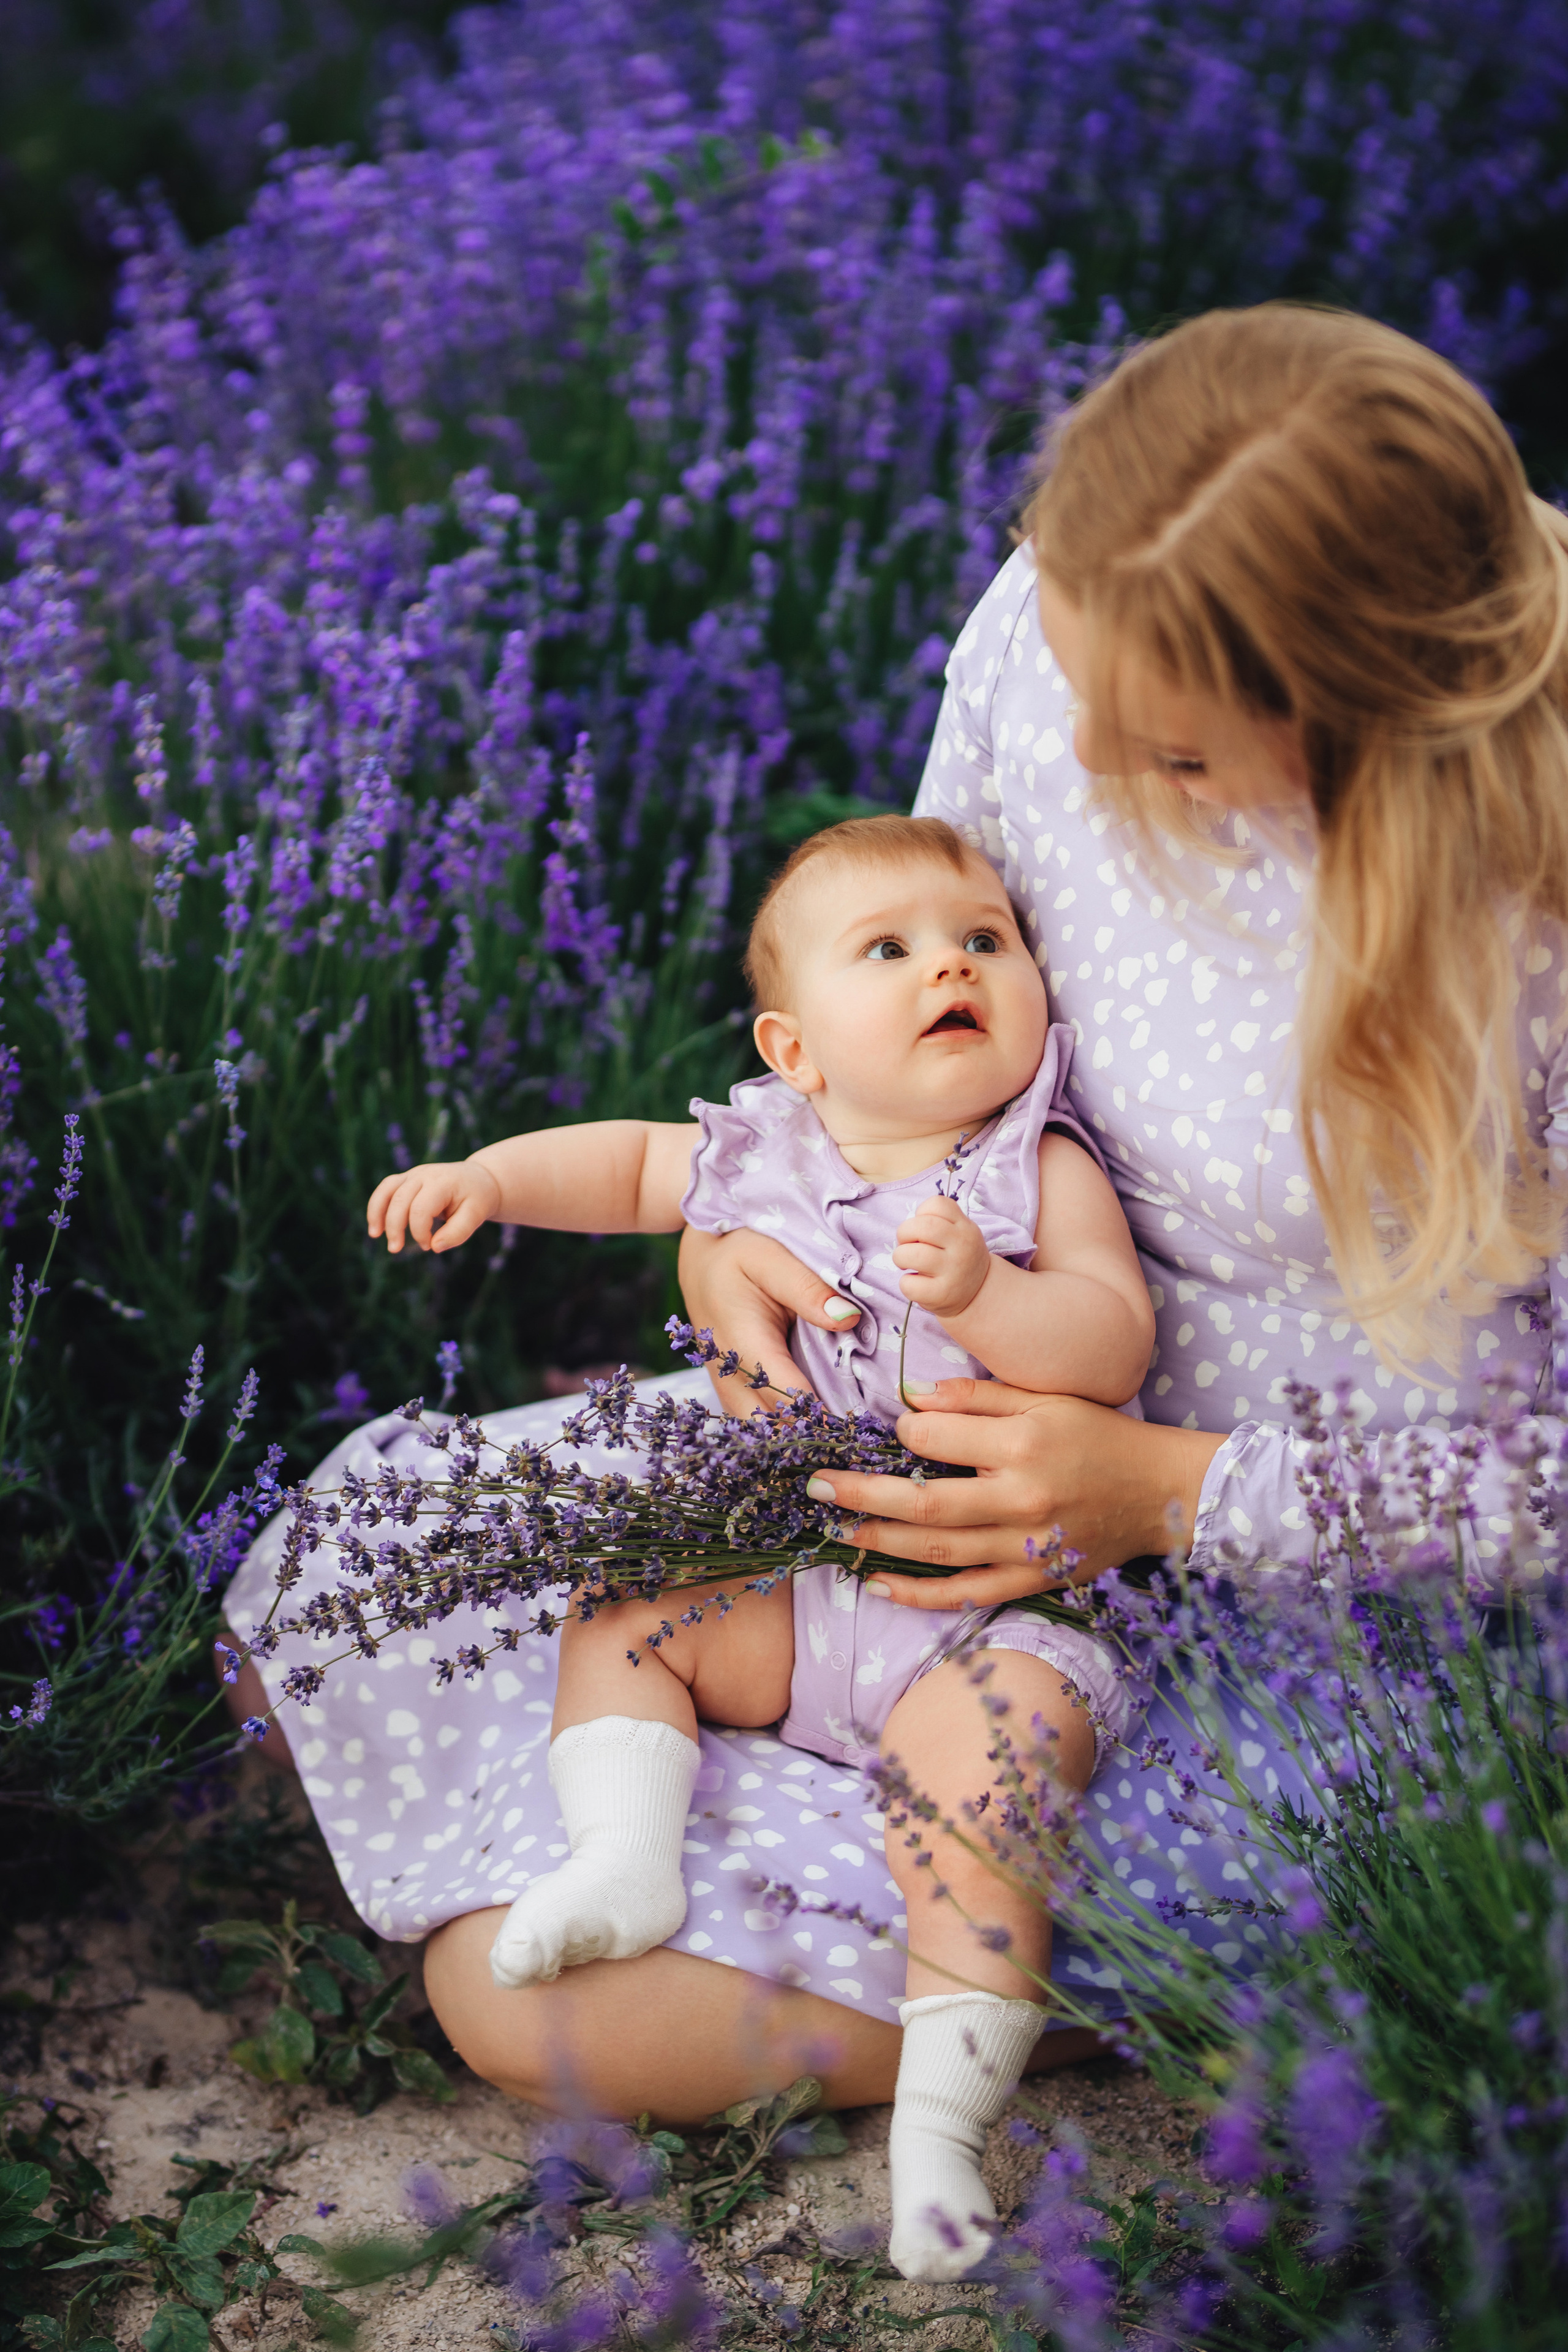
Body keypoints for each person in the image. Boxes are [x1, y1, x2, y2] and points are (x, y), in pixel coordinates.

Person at [221, 300, 1568, 2181]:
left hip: (1321, 1583)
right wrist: (749, 1229)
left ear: (1359, 722)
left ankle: (1070, 1962)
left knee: (526, 2018)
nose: (1086, 752)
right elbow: (901, 961)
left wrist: (1170, 1490)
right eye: (1074, 666)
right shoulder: (1067, 611)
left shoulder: (1533, 924)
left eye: (1171, 756)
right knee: (342, 1582)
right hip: (897, 1441)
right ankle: (822, 1865)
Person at [362, 813, 1154, 2278]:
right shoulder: (765, 1150)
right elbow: (623, 1170)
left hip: (984, 1609)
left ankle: (937, 2129)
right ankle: (626, 1855)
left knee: (982, 1795)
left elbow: (1110, 1339)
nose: (950, 966)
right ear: (796, 1052)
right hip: (804, 1586)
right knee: (628, 1620)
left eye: (983, 939)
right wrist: (488, 1176)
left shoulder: (1031, 1171)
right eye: (893, 949)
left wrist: (990, 1296)